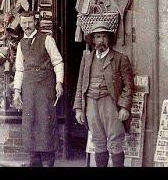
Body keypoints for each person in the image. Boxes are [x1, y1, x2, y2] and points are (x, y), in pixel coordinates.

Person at [73, 22, 133, 167]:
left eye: (104, 37)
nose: (101, 40)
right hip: (91, 104)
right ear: (93, 40)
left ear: (109, 39)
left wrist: (124, 107)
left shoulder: (120, 58)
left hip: (110, 104)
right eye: (98, 37)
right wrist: (79, 109)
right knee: (98, 141)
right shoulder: (87, 59)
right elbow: (80, 84)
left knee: (115, 141)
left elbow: (129, 86)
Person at [13, 12, 64, 167]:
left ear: (35, 22)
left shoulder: (47, 39)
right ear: (20, 24)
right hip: (29, 91)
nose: (27, 26)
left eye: (29, 22)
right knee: (30, 126)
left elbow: (58, 62)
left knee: (46, 126)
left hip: (45, 89)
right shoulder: (21, 44)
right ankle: (34, 163)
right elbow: (19, 70)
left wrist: (59, 82)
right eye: (24, 23)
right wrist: (17, 91)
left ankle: (48, 163)